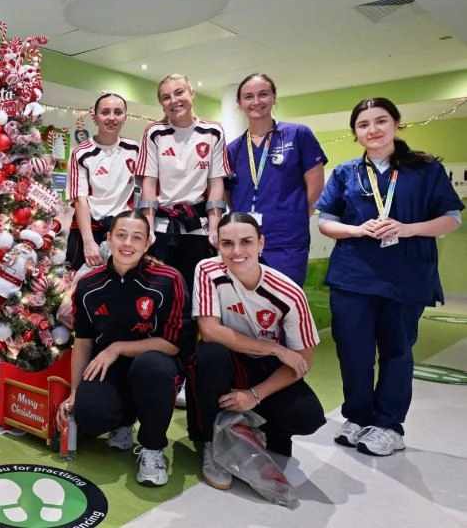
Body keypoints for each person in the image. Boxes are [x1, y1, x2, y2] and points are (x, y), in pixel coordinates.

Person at [316, 97, 464, 456]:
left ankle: (389, 425)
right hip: (353, 276)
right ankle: (357, 416)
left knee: (397, 351)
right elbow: (325, 222)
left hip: (405, 275)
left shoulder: (425, 169)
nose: (373, 129)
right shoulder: (345, 173)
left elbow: (451, 218)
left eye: (380, 121)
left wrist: (408, 228)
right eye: (363, 125)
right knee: (353, 351)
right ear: (355, 134)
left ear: (397, 124)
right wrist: (356, 230)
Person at [187, 213, 325, 490]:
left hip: (263, 367)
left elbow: (302, 363)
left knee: (307, 415)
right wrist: (275, 348)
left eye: (246, 242)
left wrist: (254, 395)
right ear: (217, 245)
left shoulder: (289, 293)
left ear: (261, 244)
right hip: (226, 359)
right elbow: (211, 330)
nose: (237, 251)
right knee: (207, 356)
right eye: (227, 244)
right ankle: (211, 444)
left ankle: (256, 426)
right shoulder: (207, 270)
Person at [57, 210, 189, 487]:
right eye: (121, 235)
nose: (127, 244)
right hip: (110, 367)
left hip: (157, 364)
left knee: (151, 367)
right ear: (108, 239)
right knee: (89, 413)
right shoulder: (89, 285)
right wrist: (74, 393)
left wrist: (117, 347)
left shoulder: (168, 279)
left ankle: (153, 448)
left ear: (148, 243)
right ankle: (123, 422)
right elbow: (82, 343)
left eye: (136, 237)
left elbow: (173, 344)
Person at [225, 74, 327, 286]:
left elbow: (316, 184)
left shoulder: (297, 135)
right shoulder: (233, 149)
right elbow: (228, 194)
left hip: (286, 239)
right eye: (248, 96)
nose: (256, 102)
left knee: (285, 302)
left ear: (273, 97)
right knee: (245, 305)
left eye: (263, 94)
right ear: (239, 103)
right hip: (243, 241)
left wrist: (295, 215)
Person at [138, 73, 230, 289]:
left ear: (192, 94)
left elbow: (216, 183)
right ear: (162, 105)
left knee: (196, 291)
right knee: (159, 289)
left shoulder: (213, 131)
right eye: (166, 97)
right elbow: (149, 184)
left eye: (179, 92)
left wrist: (215, 228)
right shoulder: (154, 132)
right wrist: (148, 229)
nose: (174, 101)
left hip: (197, 227)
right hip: (161, 227)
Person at [66, 93, 142, 270]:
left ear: (125, 117)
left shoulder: (134, 149)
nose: (112, 118)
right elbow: (80, 200)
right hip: (88, 227)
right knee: (77, 284)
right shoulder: (81, 153)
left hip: (123, 229)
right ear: (95, 117)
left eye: (118, 112)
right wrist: (88, 242)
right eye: (105, 112)